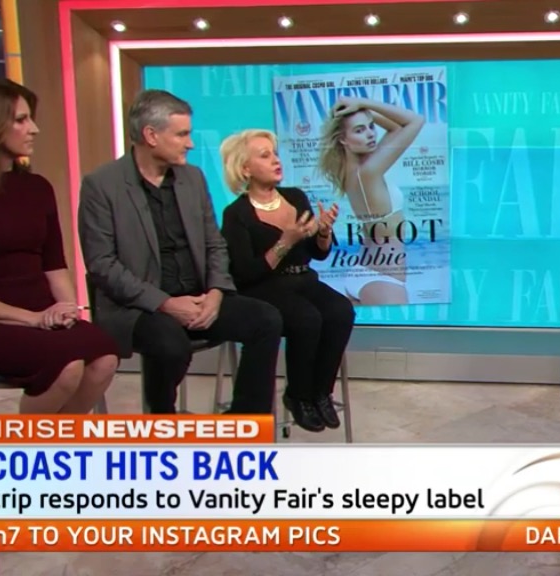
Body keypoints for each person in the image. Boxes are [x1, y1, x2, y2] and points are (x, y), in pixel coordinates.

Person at [78, 90, 282, 415]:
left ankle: (245, 421)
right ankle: (164, 423)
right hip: (140, 307)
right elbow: (102, 265)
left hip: (199, 298)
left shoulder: (193, 178)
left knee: (266, 319)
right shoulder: (102, 185)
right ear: (151, 135)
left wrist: (216, 293)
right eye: (182, 134)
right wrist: (165, 304)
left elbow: (214, 243)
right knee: (170, 345)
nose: (190, 144)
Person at [0, 76, 119, 414]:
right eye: (21, 120)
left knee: (104, 356)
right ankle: (28, 443)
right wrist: (30, 319)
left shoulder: (37, 188)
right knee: (66, 366)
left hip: (40, 314)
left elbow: (54, 265)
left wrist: (66, 308)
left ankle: (60, 441)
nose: (34, 129)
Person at [219, 129, 356, 432]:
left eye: (275, 154)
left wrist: (323, 232)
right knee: (306, 319)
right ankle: (298, 395)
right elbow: (244, 273)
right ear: (245, 168)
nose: (276, 160)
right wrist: (285, 241)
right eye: (265, 155)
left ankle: (321, 393)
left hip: (303, 280)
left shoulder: (295, 197)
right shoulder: (236, 214)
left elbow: (317, 254)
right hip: (263, 288)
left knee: (341, 311)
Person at [317, 96, 425, 305]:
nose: (370, 134)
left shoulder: (351, 171)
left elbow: (395, 129)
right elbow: (415, 121)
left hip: (365, 271)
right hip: (383, 279)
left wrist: (360, 111)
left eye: (371, 126)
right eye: (359, 130)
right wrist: (364, 103)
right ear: (343, 139)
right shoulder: (368, 172)